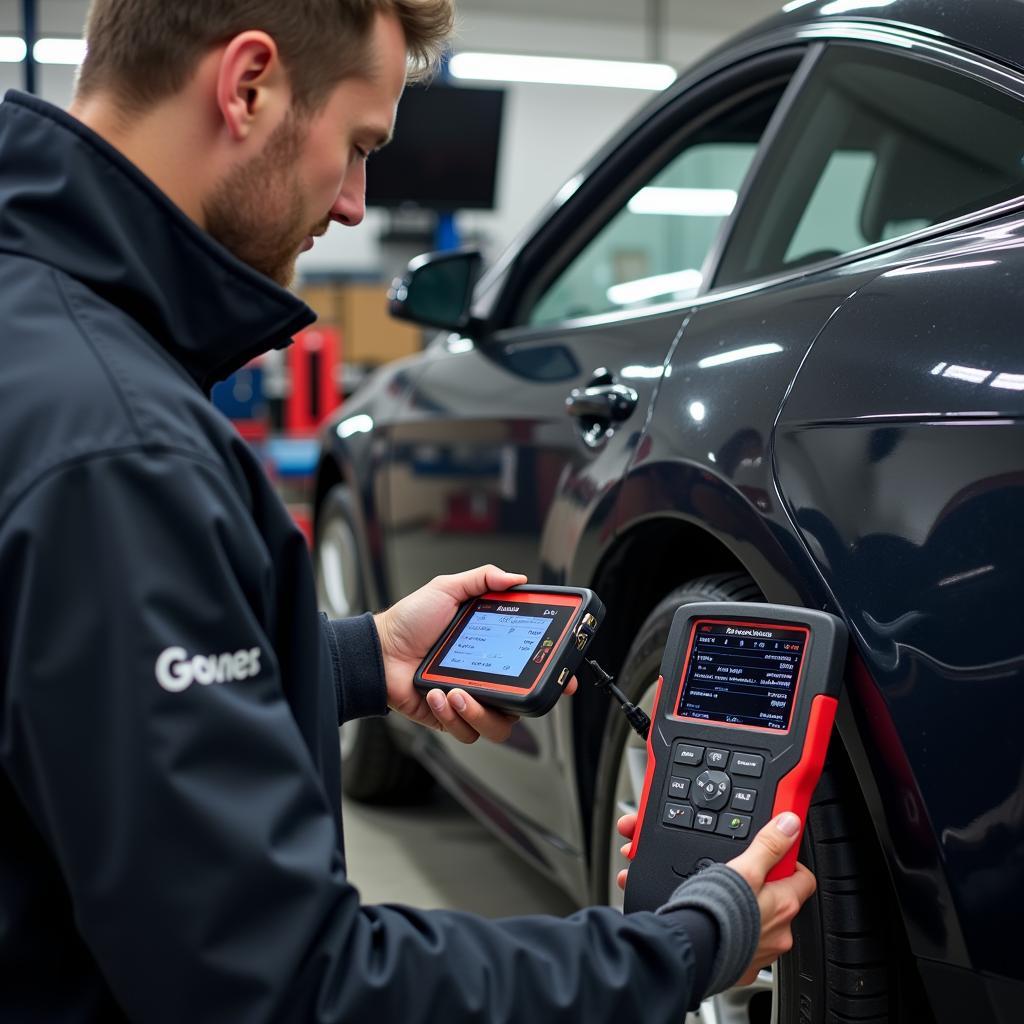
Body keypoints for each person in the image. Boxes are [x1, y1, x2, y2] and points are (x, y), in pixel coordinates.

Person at [0, 1, 816, 1021]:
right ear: (247, 86)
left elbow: (67, 693)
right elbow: (294, 986)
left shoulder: (37, 335)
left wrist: (351, 656)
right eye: (357, 144)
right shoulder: (121, 451)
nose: (353, 202)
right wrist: (682, 946)